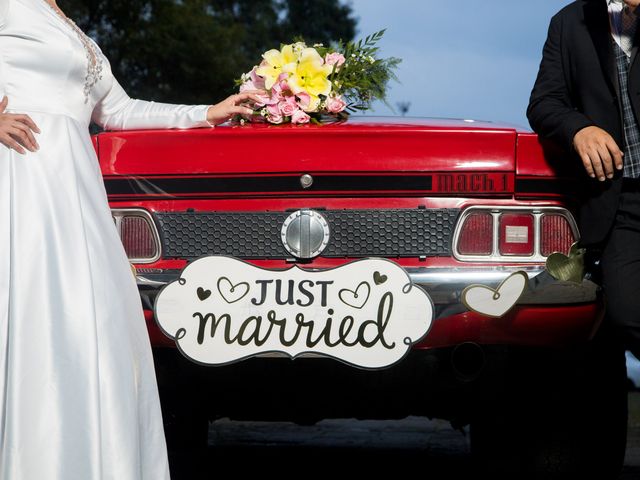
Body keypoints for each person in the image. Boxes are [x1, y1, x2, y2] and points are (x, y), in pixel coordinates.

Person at [0, 0, 261, 478]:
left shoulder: (71, 26)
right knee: (34, 308)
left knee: (85, 321)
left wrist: (209, 111)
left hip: (76, 188)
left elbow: (119, 110)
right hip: (24, 175)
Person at [528, 0, 640, 359]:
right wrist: (579, 129)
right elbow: (544, 102)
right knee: (627, 314)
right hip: (620, 200)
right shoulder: (568, 22)